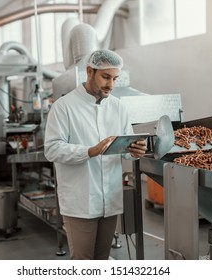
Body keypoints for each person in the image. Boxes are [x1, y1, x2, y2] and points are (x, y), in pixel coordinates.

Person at [44, 49, 147, 260]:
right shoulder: (64, 107)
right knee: (83, 261)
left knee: (102, 258)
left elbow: (126, 149)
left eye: (115, 78)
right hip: (80, 200)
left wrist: (135, 151)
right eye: (106, 77)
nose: (111, 84)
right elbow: (52, 148)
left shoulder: (118, 107)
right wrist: (89, 151)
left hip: (110, 198)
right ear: (89, 71)